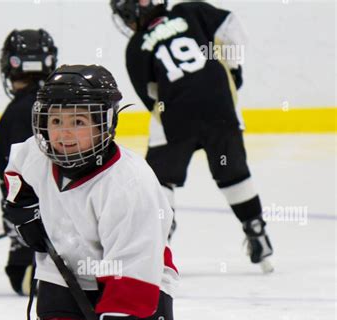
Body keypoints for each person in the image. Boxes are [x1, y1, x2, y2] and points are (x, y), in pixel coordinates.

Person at [4, 64, 199, 320]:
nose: (64, 132)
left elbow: (135, 258)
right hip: (67, 269)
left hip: (137, 273)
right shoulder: (35, 155)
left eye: (79, 122)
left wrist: (118, 318)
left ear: (105, 123)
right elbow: (17, 172)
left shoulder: (129, 182)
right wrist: (23, 210)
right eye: (55, 121)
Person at [110, 0, 274, 272]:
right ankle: (256, 228)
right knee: (233, 172)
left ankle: (160, 235)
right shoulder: (190, 11)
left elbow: (151, 96)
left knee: (160, 179)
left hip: (176, 116)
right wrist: (232, 68)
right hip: (219, 107)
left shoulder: (137, 46)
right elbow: (231, 25)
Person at [0, 29, 58, 295]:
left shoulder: (16, 113)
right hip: (84, 224)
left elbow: (11, 178)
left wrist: (18, 223)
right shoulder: (65, 104)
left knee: (20, 278)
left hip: (47, 234)